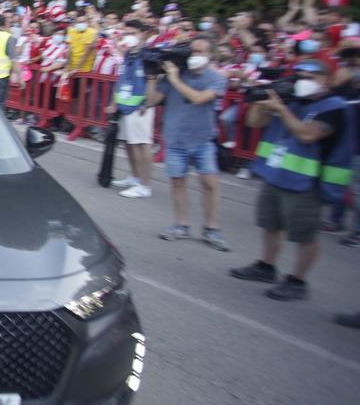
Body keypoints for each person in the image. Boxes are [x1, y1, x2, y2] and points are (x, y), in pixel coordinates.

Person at [230, 60, 354, 300]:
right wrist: (260, 100)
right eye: (299, 76)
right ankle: (266, 266)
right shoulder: (291, 101)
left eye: (310, 76)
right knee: (270, 224)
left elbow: (308, 135)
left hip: (307, 182)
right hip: (277, 174)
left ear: (326, 80)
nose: (303, 81)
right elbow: (254, 122)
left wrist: (281, 108)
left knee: (303, 235)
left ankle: (298, 280)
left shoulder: (333, 108)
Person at [146, 36, 229, 250]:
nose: (195, 56)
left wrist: (174, 79)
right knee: (177, 183)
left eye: (201, 52)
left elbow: (199, 98)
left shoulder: (216, 78)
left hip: (203, 139)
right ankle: (181, 225)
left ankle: (212, 229)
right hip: (175, 138)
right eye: (193, 51)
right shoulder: (176, 73)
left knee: (210, 184)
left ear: (210, 55)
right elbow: (152, 100)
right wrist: (152, 76)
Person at [107, 20, 155, 198]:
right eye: (126, 33)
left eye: (133, 32)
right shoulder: (129, 54)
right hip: (126, 103)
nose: (129, 36)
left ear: (143, 34)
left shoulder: (149, 55)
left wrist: (147, 103)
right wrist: (113, 101)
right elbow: (122, 78)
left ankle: (145, 184)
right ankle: (135, 177)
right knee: (129, 143)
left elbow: (153, 80)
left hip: (141, 105)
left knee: (141, 145)